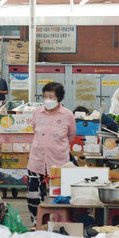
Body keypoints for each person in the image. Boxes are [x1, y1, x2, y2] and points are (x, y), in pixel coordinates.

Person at [27, 82, 76, 224]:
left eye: (51, 97)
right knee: (33, 195)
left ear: (59, 98)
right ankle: (37, 223)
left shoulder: (67, 115)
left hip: (59, 162)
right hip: (37, 160)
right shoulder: (37, 112)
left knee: (59, 196)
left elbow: (71, 136)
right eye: (45, 96)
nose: (47, 100)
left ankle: (57, 224)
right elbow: (34, 129)